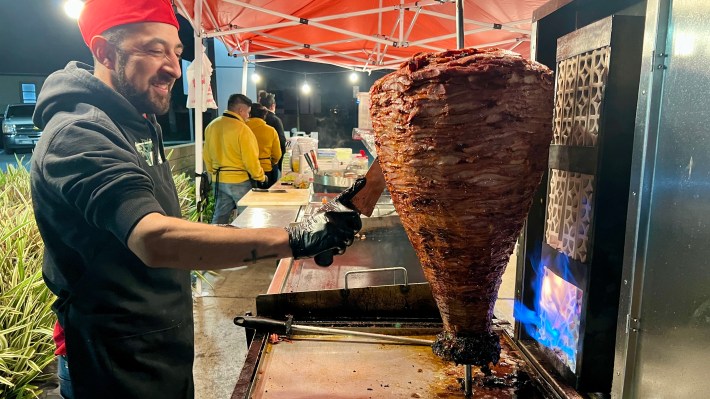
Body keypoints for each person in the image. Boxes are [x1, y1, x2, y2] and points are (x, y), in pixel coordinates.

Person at [29, 1, 362, 398]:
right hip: (109, 358)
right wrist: (296, 238)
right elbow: (154, 239)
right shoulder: (79, 133)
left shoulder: (136, 119)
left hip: (158, 342)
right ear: (104, 52)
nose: (173, 67)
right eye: (154, 50)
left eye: (176, 52)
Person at [203, 93, 265, 224]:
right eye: (248, 112)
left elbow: (206, 155)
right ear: (240, 110)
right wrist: (260, 177)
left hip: (218, 180)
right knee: (248, 217)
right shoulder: (243, 129)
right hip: (239, 181)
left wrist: (212, 172)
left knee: (219, 217)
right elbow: (251, 160)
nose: (248, 117)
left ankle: (214, 242)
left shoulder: (211, 126)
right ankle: (246, 243)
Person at [247, 103, 282, 187]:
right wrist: (271, 162)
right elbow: (277, 154)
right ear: (263, 116)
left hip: (246, 170)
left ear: (249, 114)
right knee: (265, 197)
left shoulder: (242, 128)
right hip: (266, 169)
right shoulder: (271, 131)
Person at [258, 91, 286, 175]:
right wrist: (281, 165)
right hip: (269, 165)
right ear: (273, 106)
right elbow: (281, 143)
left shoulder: (253, 120)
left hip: (253, 164)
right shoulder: (275, 120)